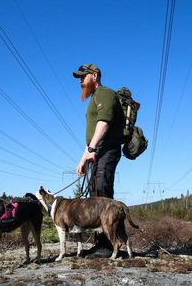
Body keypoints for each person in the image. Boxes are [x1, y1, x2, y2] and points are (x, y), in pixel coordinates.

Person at [73, 64, 125, 257]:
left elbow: (104, 123)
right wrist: (83, 159)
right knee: (95, 196)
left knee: (103, 195)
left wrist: (93, 148)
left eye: (82, 77)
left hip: (107, 148)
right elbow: (93, 133)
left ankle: (109, 245)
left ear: (94, 76)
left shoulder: (105, 93)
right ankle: (102, 243)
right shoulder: (94, 98)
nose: (80, 81)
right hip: (97, 150)